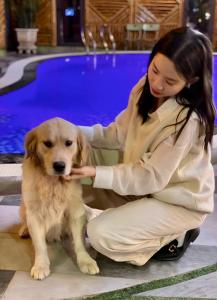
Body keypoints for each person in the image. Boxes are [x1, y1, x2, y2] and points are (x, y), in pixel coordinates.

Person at [64, 26, 215, 266]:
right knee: (72, 170)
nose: (157, 83)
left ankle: (175, 235)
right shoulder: (145, 88)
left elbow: (151, 176)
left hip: (177, 201)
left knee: (100, 234)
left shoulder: (187, 120)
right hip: (144, 188)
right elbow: (117, 134)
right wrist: (71, 133)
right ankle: (135, 219)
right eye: (154, 70)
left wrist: (97, 174)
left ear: (191, 81)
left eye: (170, 81)